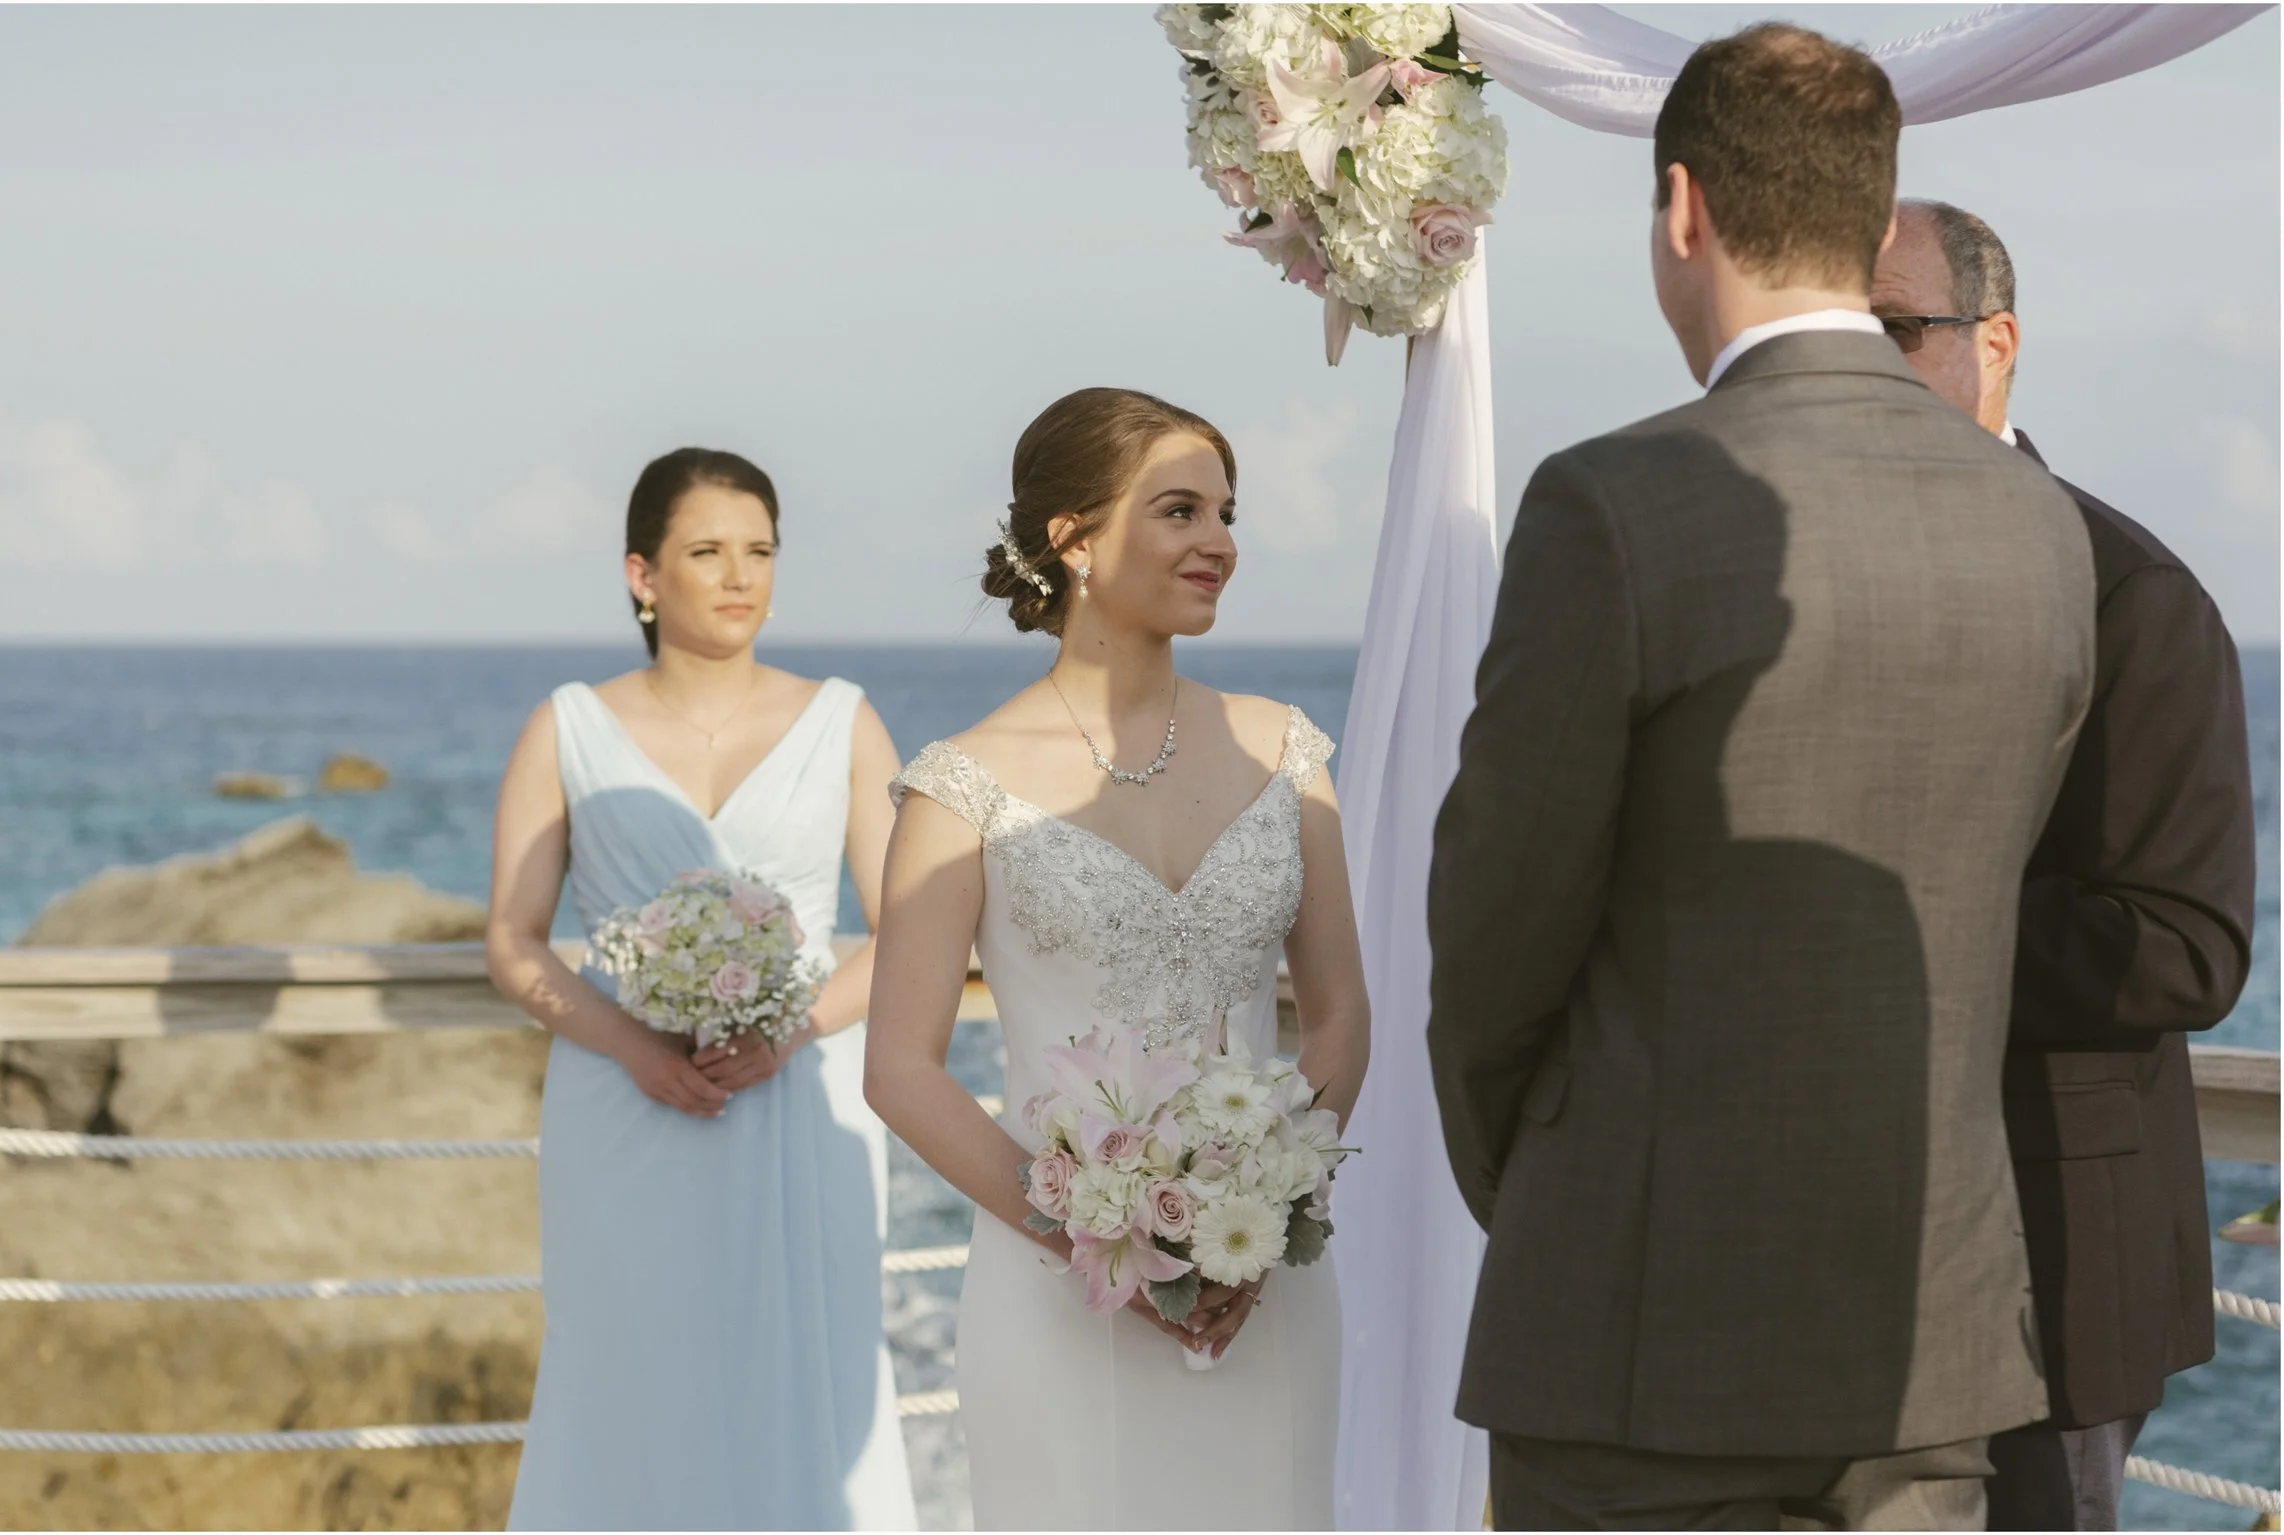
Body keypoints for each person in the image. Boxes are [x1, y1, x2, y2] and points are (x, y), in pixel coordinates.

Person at [1426, 25, 2098, 1531]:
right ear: (1870, 221)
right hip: (1931, 1324)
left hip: (1641, 1331)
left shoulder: (1612, 502)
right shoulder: (2040, 522)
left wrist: (1548, 1184)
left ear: (1683, 208)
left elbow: (1494, 928)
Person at [864, 387, 1371, 1529]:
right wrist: (1104, 1239)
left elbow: (1340, 1014)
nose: (1219, 542)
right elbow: (898, 1067)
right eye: (1180, 510)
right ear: (1074, 539)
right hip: (1057, 1296)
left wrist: (1267, 1206)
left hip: (1262, 1289)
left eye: (1226, 514)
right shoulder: (960, 785)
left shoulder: (1286, 751)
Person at [1873, 199, 2258, 1531]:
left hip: (2047, 1263)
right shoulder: (1775, 578)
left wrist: (1880, 921)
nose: (1854, 366)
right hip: (1808, 1251)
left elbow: (2183, 945)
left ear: (1997, 344)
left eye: (1893, 329)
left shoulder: (2128, 593)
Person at [485, 447, 916, 1529]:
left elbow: (910, 930)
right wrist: (632, 1046)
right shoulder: (568, 727)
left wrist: (789, 1032)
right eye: (708, 551)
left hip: (799, 1100)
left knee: (806, 1368)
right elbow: (513, 942)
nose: (740, 575)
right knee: (629, 1372)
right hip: (625, 1107)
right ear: (642, 574)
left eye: (759, 550)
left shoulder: (844, 721)